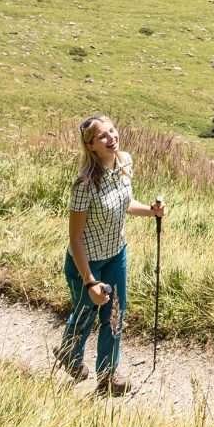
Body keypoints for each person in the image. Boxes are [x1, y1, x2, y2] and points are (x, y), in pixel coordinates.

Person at [59, 113, 163, 395]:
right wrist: (90, 282)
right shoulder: (85, 184)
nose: (111, 138)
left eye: (113, 131)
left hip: (117, 253)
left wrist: (150, 212)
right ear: (90, 145)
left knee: (115, 313)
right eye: (102, 136)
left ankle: (108, 375)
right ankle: (69, 355)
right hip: (87, 260)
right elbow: (75, 238)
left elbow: (125, 203)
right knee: (85, 313)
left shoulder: (125, 162)